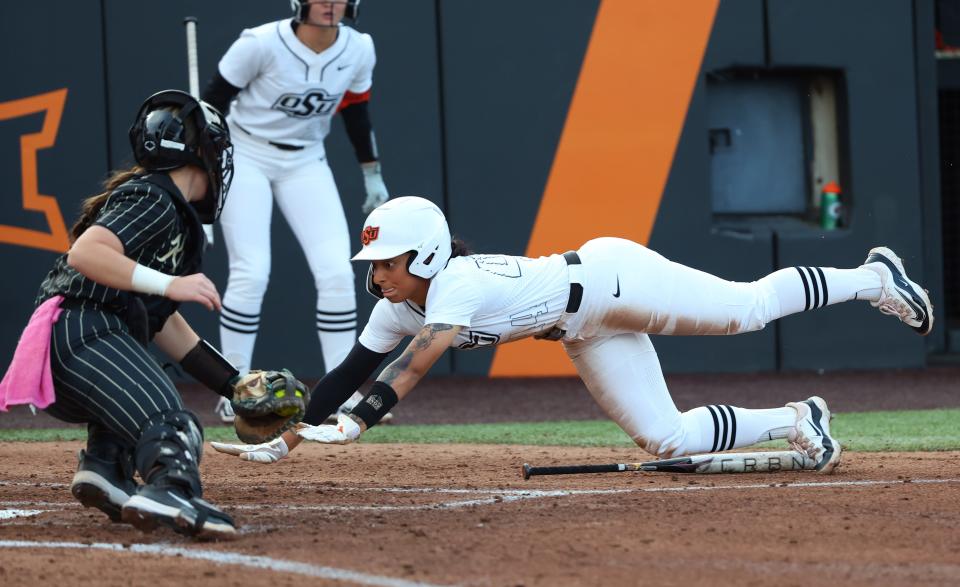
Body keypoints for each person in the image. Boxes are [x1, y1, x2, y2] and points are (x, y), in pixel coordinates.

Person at [211, 197, 935, 474]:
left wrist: (360, 422)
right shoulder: (397, 300)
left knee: (746, 309)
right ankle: (798, 421)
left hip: (614, 278)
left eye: (388, 262)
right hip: (581, 329)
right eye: (372, 265)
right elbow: (346, 373)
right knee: (666, 439)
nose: (378, 276)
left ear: (426, 255)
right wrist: (291, 433)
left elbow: (414, 363)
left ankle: (874, 279)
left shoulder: (452, 284)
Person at [0, 90, 244, 539]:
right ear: (202, 153)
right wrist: (173, 283)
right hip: (85, 333)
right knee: (172, 423)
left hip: (78, 345)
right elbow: (87, 253)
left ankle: (105, 465)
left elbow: (164, 322)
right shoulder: (155, 196)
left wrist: (234, 385)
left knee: (144, 404)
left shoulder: (169, 211)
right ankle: (170, 489)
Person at [201, 0, 390, 424]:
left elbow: (356, 111)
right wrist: (204, 168)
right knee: (252, 271)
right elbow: (211, 105)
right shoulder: (259, 43)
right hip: (245, 151)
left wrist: (371, 173)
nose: (329, 4)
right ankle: (232, 386)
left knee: (337, 272)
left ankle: (340, 390)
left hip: (306, 159)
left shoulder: (359, 48)